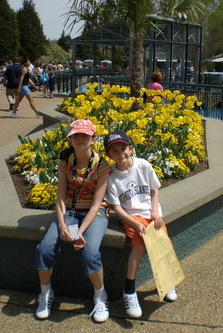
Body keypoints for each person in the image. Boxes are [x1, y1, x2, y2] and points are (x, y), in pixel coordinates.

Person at [35, 119, 111, 322]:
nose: (80, 139)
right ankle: (45, 293)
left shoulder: (102, 165)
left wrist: (79, 232)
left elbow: (96, 204)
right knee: (45, 249)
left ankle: (100, 294)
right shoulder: (64, 162)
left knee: (90, 252)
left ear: (93, 139)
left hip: (95, 214)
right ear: (69, 140)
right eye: (76, 135)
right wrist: (61, 225)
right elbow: (60, 197)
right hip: (69, 212)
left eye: (85, 135)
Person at [104, 131, 178, 318]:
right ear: (109, 155)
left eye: (123, 148)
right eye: (115, 151)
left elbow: (154, 190)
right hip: (131, 216)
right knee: (138, 246)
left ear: (130, 148)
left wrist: (155, 212)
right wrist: (135, 224)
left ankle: (167, 281)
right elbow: (117, 209)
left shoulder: (143, 165)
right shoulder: (111, 176)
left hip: (150, 213)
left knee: (162, 243)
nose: (121, 153)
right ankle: (129, 290)